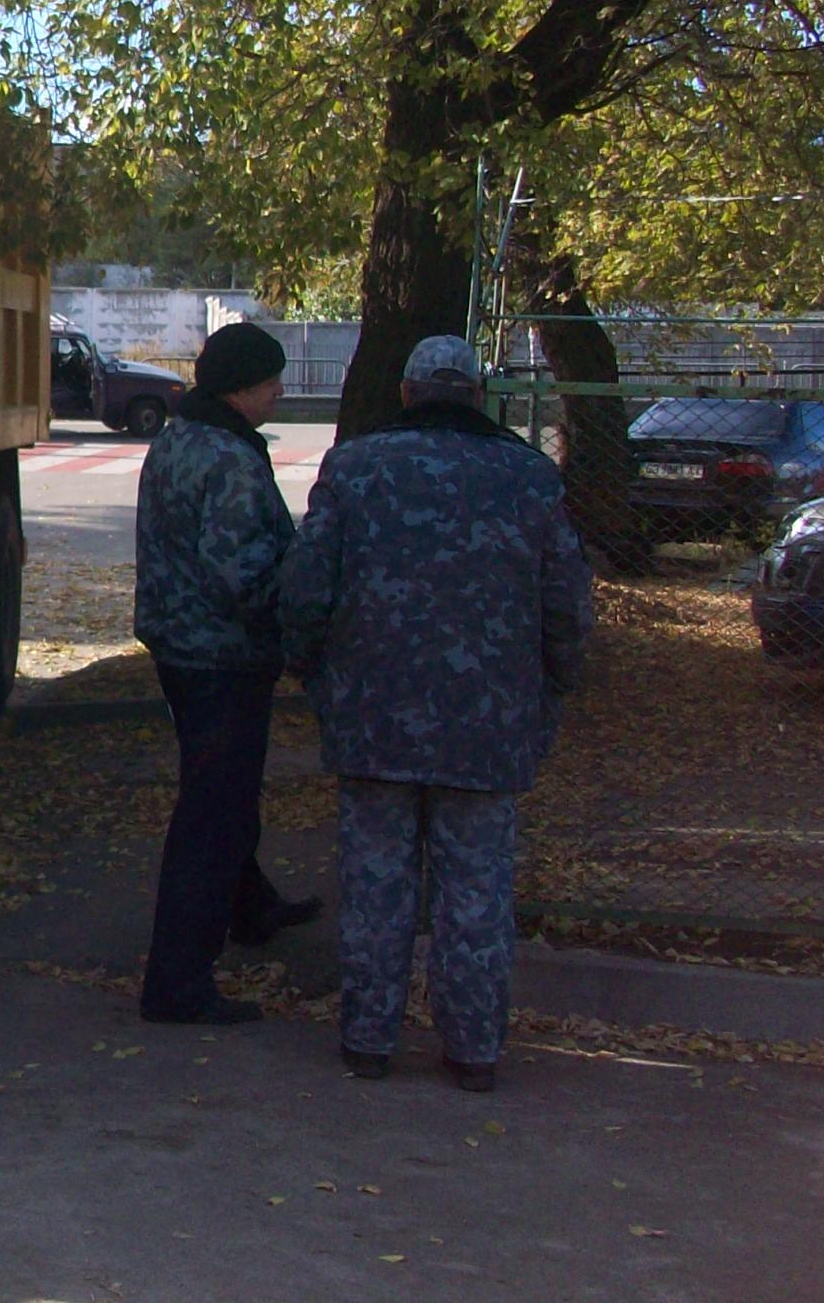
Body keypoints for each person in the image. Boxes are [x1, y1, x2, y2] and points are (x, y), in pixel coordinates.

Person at [277, 335, 592, 1091]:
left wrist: (311, 671)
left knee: (376, 886)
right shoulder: (530, 477)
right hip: (488, 726)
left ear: (406, 394)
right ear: (477, 396)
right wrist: (554, 687)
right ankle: (474, 1050)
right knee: (477, 892)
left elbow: (305, 586)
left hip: (374, 718)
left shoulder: (355, 468)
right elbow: (567, 605)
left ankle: (368, 1041)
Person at [133, 318, 319, 1024]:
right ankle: (178, 981)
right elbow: (243, 574)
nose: (279, 393)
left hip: (181, 644)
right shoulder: (230, 460)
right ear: (240, 388)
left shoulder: (178, 437)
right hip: (222, 654)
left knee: (222, 795)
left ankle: (252, 906)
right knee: (214, 812)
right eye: (271, 382)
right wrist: (303, 617)